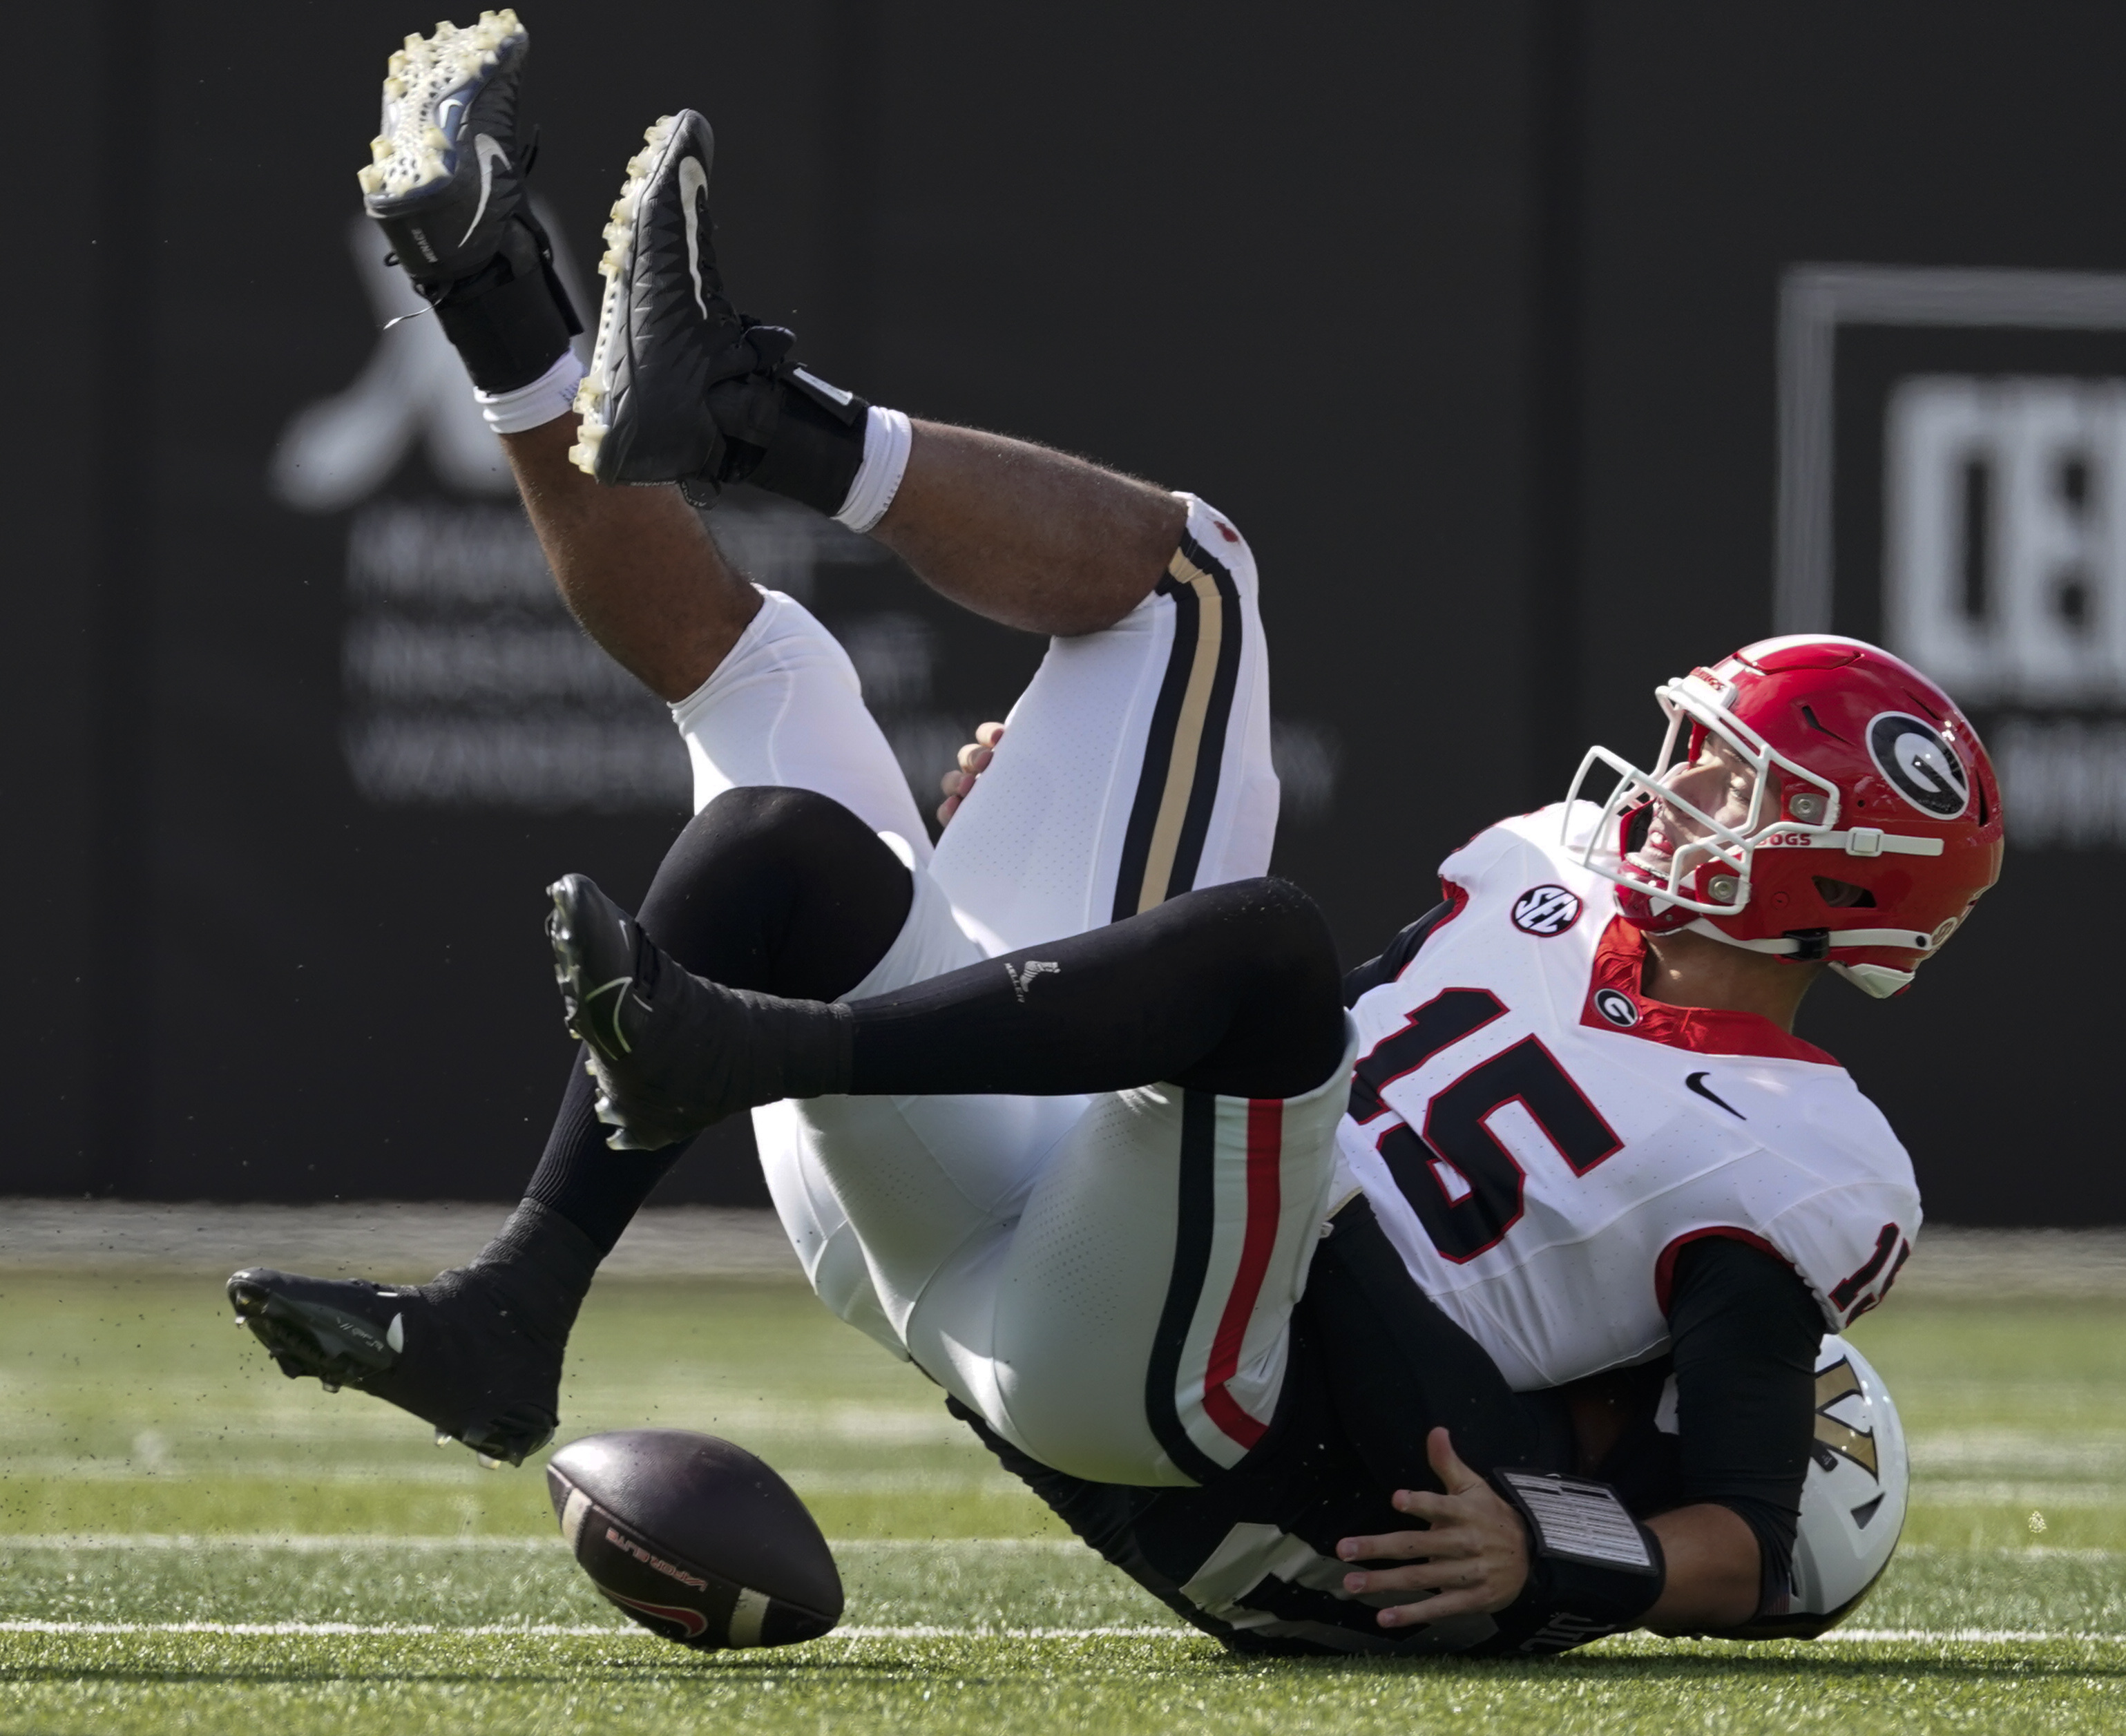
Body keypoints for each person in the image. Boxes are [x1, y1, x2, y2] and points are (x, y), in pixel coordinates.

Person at [229, 12, 1995, 1654]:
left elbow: (1756, 1531)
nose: (1675, 786)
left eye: (1741, 785)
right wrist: (1060, 926)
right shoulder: (1555, 867)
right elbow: (1276, 1051)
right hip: (1070, 1227)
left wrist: (1557, 1555)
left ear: (1834, 891)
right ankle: (497, 302)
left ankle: (743, 1002)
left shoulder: (1803, 1150)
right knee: (785, 781)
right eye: (1699, 752)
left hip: (1214, 1389)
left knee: (1256, 896)